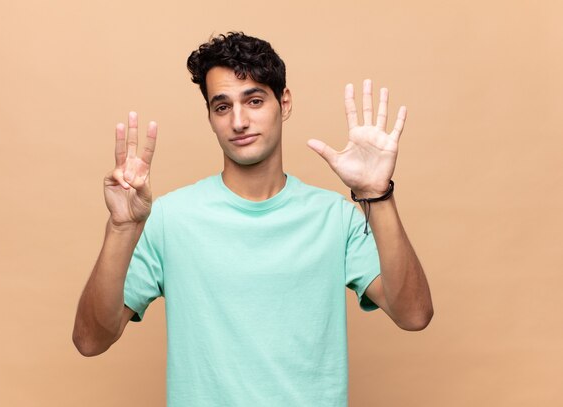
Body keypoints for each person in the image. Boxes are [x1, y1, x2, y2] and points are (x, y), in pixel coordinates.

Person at [72, 32, 433, 406]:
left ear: (285, 102)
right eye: (222, 107)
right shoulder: (168, 218)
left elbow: (413, 315)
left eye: (255, 100)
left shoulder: (335, 218)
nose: (239, 121)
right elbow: (90, 341)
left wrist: (377, 194)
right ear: (210, 117)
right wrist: (121, 228)